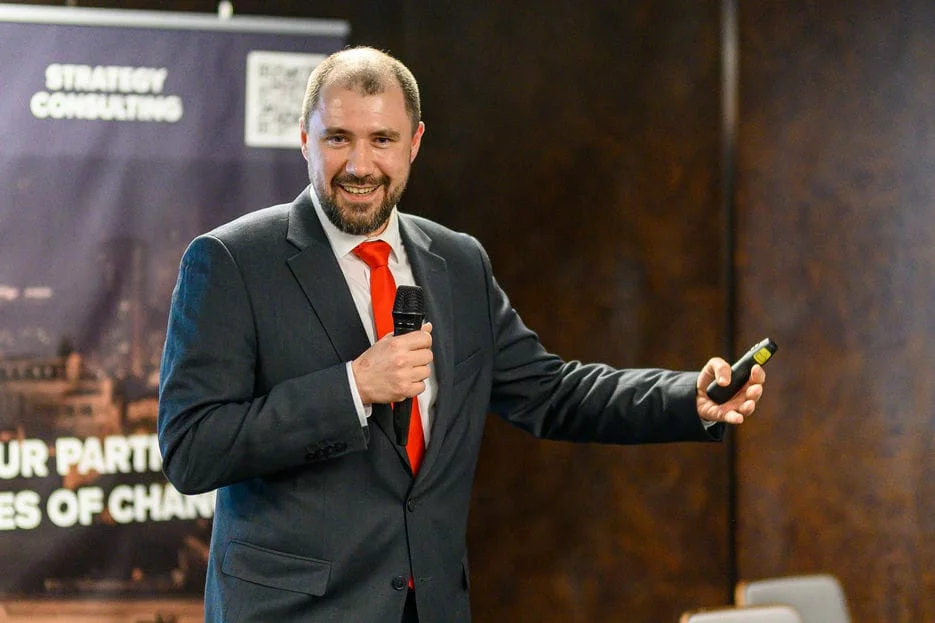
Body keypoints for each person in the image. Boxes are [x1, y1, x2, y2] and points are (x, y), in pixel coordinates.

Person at [157, 46, 766, 623]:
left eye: (382, 140)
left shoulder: (458, 261)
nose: (360, 165)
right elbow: (192, 449)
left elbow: (550, 392)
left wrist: (687, 398)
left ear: (415, 143)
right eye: (338, 138)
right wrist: (352, 388)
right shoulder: (232, 262)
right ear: (304, 139)